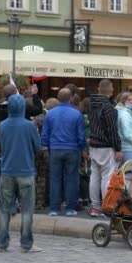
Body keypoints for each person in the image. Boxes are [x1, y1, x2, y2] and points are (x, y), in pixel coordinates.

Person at [0, 94, 42, 253]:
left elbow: (2, 145)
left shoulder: (2, 125)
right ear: (23, 107)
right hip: (25, 171)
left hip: (7, 171)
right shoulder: (29, 126)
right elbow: (37, 147)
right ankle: (26, 243)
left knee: (4, 209)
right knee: (27, 209)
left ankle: (2, 243)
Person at [0, 84, 43, 215]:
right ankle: (20, 203)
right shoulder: (22, 107)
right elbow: (38, 110)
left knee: (1, 175)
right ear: (15, 94)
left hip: (3, 148)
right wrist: (35, 95)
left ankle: (1, 202)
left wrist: (0, 143)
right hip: (21, 147)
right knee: (21, 176)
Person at [41, 88, 86, 216]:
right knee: (71, 178)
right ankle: (70, 207)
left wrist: (48, 145)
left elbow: (45, 135)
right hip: (72, 149)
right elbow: (81, 136)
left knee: (55, 178)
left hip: (55, 149)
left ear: (58, 98)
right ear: (71, 98)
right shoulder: (76, 114)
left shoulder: (50, 114)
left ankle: (54, 208)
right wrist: (81, 147)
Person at [88, 79, 122, 217]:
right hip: (106, 146)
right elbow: (112, 130)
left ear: (98, 89)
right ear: (111, 90)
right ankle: (106, 206)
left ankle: (95, 206)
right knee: (107, 177)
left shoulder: (91, 104)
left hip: (94, 144)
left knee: (94, 176)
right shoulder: (109, 108)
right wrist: (118, 148)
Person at [116, 92, 132, 164]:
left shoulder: (122, 111)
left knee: (123, 171)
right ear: (123, 100)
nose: (131, 102)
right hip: (127, 147)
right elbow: (126, 133)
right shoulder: (124, 114)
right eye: (128, 100)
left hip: (124, 146)